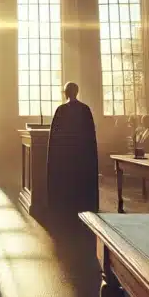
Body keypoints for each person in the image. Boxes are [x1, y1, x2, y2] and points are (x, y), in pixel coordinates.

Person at [47, 82, 99, 213]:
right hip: (82, 156)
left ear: (66, 93)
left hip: (65, 156)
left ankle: (65, 205)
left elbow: (55, 137)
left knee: (67, 181)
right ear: (77, 92)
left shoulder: (61, 110)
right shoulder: (85, 109)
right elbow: (90, 136)